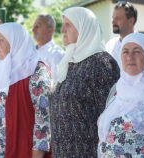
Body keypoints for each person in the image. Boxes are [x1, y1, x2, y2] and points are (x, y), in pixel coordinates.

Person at [50, 7, 120, 157]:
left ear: (83, 28)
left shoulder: (101, 63)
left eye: (68, 25)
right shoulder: (70, 62)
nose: (62, 30)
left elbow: (109, 115)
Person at [0, 23, 52, 158]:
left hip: (20, 150)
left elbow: (43, 119)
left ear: (15, 42)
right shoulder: (0, 68)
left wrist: (37, 154)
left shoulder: (37, 72)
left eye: (1, 40)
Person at [32, 14, 64, 81]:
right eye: (33, 26)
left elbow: (57, 85)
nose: (33, 29)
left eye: (37, 26)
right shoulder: (30, 52)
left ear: (50, 30)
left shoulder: (57, 54)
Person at [106, 1, 137, 66]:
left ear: (131, 21)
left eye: (117, 18)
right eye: (113, 18)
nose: (113, 21)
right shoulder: (109, 46)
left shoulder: (143, 46)